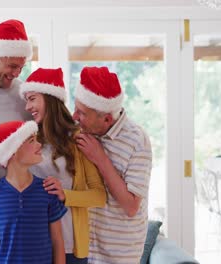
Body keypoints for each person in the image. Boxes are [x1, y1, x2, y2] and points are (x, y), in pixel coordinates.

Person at [18, 67, 107, 263]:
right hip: (34, 243)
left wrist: (65, 194)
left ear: (50, 98)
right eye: (27, 100)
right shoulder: (27, 139)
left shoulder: (78, 140)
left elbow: (99, 195)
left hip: (70, 247)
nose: (27, 107)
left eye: (32, 98)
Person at [73, 66, 153, 263]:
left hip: (119, 254)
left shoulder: (137, 140)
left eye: (81, 113)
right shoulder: (82, 131)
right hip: (85, 249)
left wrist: (100, 158)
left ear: (107, 119)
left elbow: (131, 206)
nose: (74, 117)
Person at [0, 121, 67, 264]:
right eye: (32, 141)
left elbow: (57, 241)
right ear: (12, 152)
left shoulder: (47, 190)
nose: (39, 145)